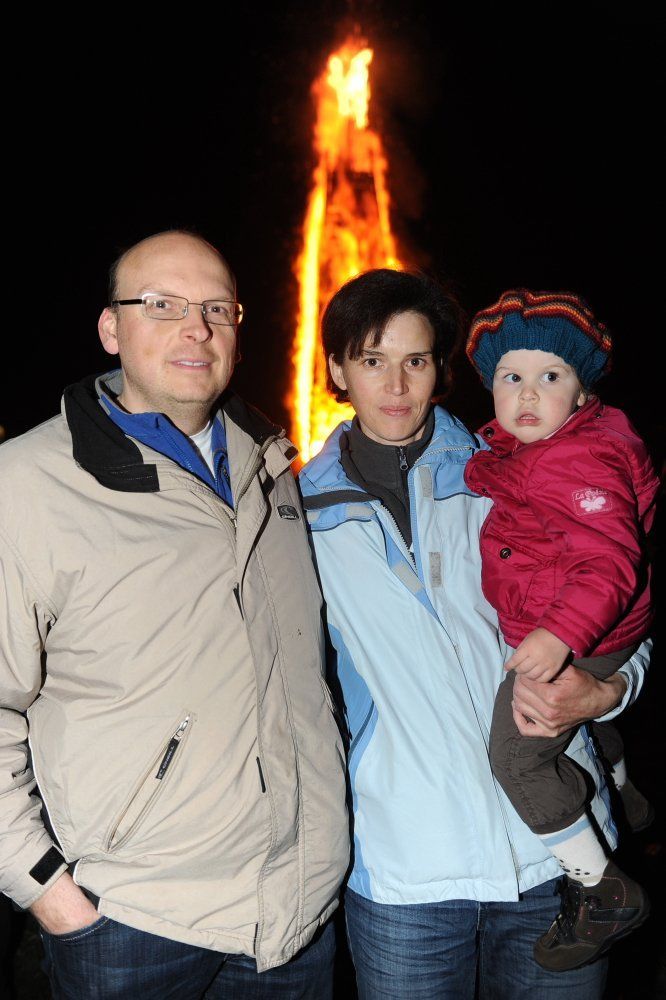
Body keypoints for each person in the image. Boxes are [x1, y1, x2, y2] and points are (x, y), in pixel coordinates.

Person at [0, 230, 349, 1000]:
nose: (196, 328)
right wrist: (46, 891)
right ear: (110, 328)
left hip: (296, 916)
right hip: (131, 924)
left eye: (217, 308)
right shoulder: (25, 485)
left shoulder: (274, 468)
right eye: (162, 305)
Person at [297, 267, 650, 999]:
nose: (396, 385)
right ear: (335, 369)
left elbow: (625, 600)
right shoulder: (299, 516)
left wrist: (611, 691)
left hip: (559, 864)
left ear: (442, 369)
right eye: (372, 360)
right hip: (407, 875)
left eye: (417, 360)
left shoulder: (515, 472)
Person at [462, 289, 657, 971]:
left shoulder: (576, 460)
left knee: (517, 755)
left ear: (581, 393)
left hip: (584, 629)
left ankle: (603, 891)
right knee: (586, 722)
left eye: (550, 376)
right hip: (598, 629)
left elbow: (608, 561)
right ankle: (624, 789)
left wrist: (557, 635)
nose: (527, 394)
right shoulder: (551, 447)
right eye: (510, 376)